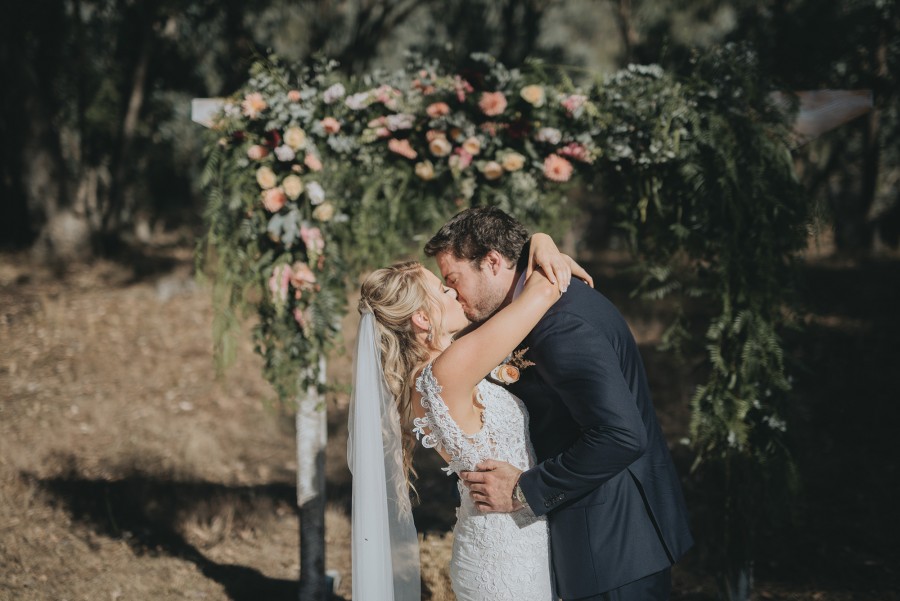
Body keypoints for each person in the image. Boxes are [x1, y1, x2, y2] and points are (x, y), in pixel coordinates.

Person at [424, 207, 694, 601]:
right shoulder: (536, 303)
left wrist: (524, 490)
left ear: (493, 262)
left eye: (453, 279)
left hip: (611, 541)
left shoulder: (560, 327)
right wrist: (540, 240)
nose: (454, 294)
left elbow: (620, 435)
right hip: (594, 539)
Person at [349, 232, 591, 601]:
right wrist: (542, 245)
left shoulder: (432, 371)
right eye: (443, 291)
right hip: (505, 554)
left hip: (505, 535)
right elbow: (544, 289)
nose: (455, 294)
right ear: (420, 319)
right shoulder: (447, 371)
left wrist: (540, 240)